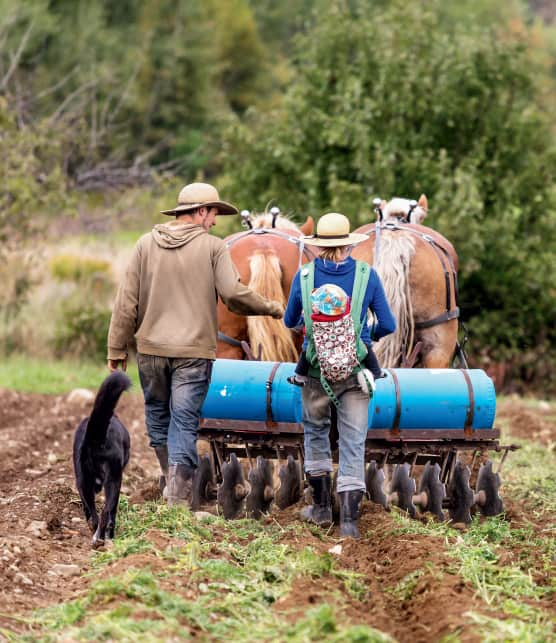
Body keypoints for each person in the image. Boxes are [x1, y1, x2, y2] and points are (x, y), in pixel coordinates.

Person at [107, 182, 284, 506]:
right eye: (213, 213)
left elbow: (125, 302)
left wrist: (116, 348)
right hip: (192, 355)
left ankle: (168, 480)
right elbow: (233, 295)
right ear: (201, 212)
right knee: (185, 420)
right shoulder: (213, 248)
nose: (215, 221)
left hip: (151, 351)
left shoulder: (145, 245)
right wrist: (273, 307)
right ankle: (177, 494)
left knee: (158, 416)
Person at [284, 212, 396, 538]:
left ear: (318, 245)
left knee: (316, 435)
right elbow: (388, 325)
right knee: (352, 443)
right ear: (348, 244)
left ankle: (320, 510)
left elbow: (291, 320)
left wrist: (317, 333)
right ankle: (349, 523)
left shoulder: (304, 276)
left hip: (315, 370)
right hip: (357, 372)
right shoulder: (368, 275)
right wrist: (363, 337)